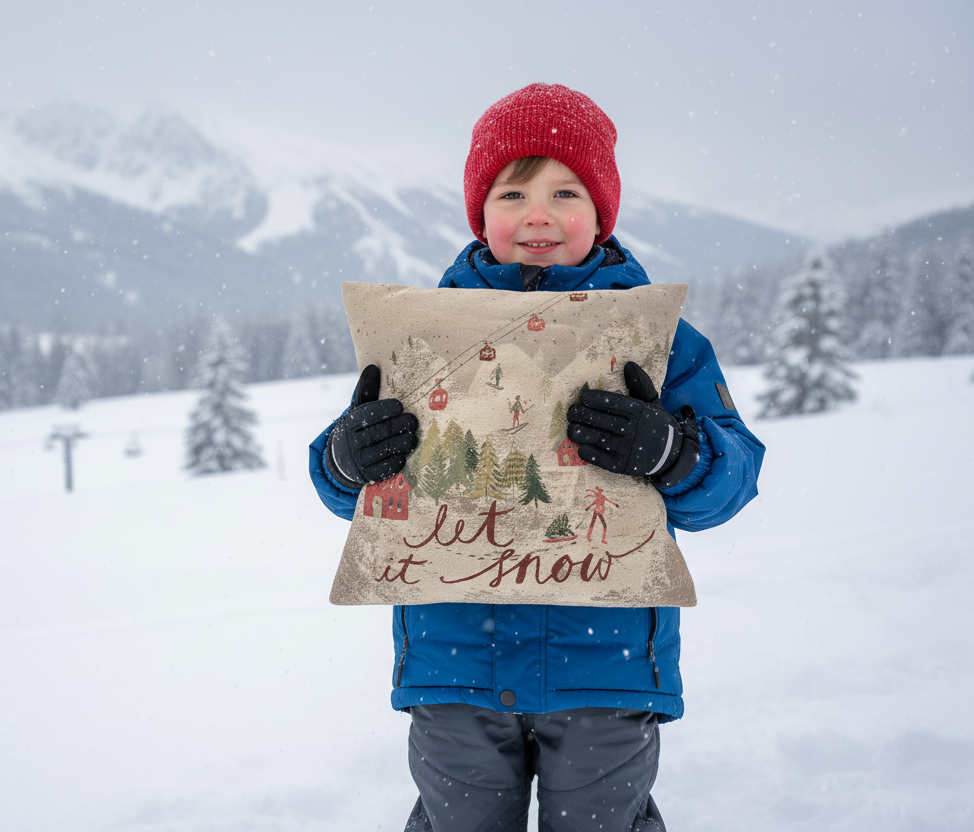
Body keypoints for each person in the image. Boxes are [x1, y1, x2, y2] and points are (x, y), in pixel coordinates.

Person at [309, 83, 765, 832]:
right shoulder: (422, 331)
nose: (539, 215)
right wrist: (346, 458)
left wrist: (674, 452)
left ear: (602, 210)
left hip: (606, 668)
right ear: (481, 212)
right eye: (512, 192)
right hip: (454, 663)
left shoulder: (661, 338)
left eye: (566, 191)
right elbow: (345, 489)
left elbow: (732, 479)